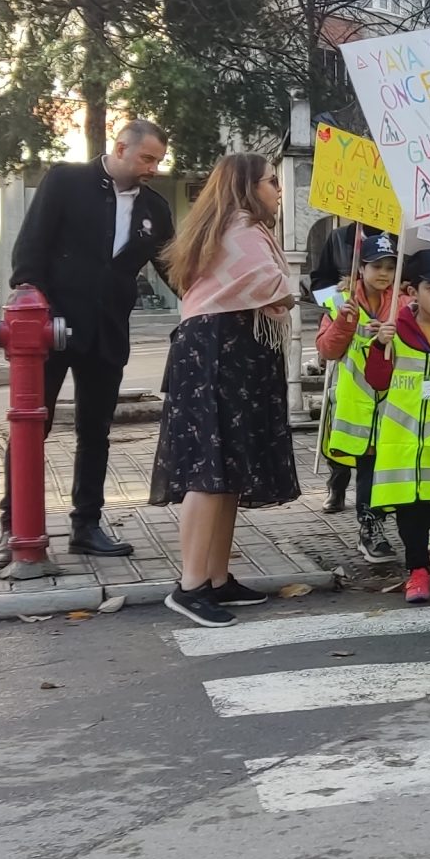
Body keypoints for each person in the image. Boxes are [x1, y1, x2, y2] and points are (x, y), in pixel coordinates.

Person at [0, 118, 174, 564]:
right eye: (146, 158)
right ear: (120, 148)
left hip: (108, 329)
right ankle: (13, 525)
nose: (153, 168)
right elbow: (30, 249)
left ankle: (87, 525)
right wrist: (30, 299)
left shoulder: (155, 208)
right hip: (51, 328)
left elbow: (174, 269)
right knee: (30, 427)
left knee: (95, 431)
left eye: (158, 161)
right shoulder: (66, 181)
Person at [148, 154, 300, 627]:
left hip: (225, 350)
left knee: (226, 469)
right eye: (271, 182)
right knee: (209, 469)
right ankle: (191, 584)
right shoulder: (242, 230)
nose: (278, 190)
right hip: (221, 351)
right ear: (246, 187)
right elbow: (275, 287)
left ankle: (216, 578)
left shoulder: (222, 227)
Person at [365, 247, 430, 604]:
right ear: (412, 291)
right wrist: (379, 346)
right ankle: (416, 571)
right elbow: (377, 381)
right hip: (403, 438)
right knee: (408, 510)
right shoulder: (396, 330)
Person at [316, 229, 400, 569]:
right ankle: (369, 529)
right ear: (359, 269)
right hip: (359, 406)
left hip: (396, 405)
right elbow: (327, 350)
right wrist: (345, 323)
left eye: (390, 266)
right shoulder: (340, 301)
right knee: (368, 471)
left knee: (388, 472)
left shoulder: (404, 302)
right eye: (376, 265)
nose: (383, 273)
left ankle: (390, 526)